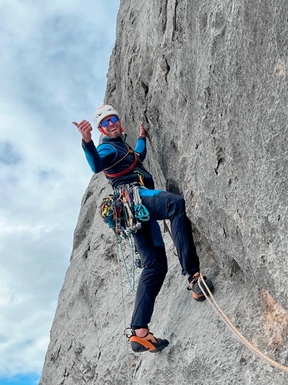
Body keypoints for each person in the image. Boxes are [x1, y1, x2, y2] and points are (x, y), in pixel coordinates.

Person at [73, 104, 213, 354]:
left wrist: (142, 137)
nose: (111, 123)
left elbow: (138, 155)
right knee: (174, 204)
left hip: (133, 212)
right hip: (136, 199)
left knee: (156, 265)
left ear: (120, 122)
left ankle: (140, 333)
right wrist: (87, 143)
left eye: (113, 118)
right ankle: (193, 276)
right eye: (105, 122)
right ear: (100, 129)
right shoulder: (106, 147)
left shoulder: (123, 148)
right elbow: (97, 164)